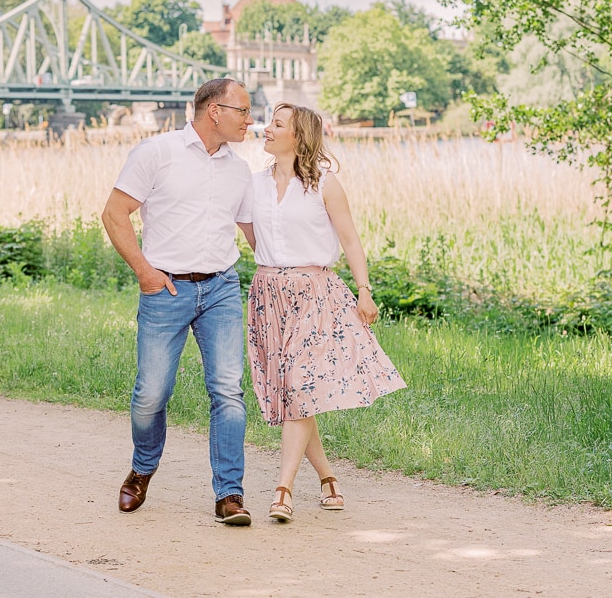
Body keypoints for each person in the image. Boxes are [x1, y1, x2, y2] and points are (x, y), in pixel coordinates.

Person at [101, 78, 257, 526]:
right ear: (214, 110)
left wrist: (301, 272)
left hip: (222, 289)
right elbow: (114, 214)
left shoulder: (239, 171)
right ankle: (142, 469)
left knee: (228, 391)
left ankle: (229, 494)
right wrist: (145, 273)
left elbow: (252, 235)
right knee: (151, 394)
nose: (250, 120)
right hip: (166, 289)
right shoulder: (157, 153)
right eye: (243, 111)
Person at [246, 102, 406, 523]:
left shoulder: (324, 184)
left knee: (299, 385)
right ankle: (328, 478)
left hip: (315, 295)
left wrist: (364, 292)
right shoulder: (253, 185)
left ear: (298, 137)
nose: (266, 128)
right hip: (268, 296)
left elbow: (351, 241)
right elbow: (250, 232)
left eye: (277, 124)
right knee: (298, 394)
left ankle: (283, 489)